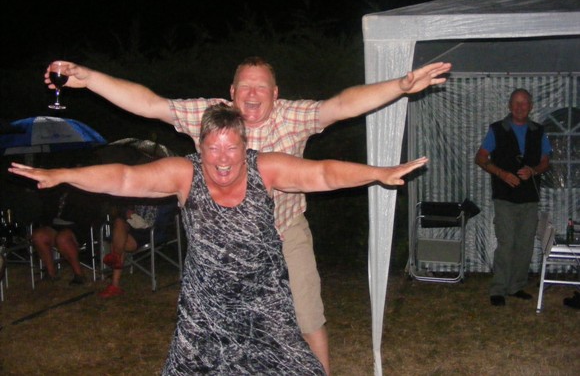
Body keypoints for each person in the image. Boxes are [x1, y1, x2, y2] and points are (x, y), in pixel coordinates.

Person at [45, 56, 451, 373]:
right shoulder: (213, 117)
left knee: (307, 318)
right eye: (245, 86)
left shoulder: (293, 115)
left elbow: (342, 107)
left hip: (284, 231)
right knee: (218, 334)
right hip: (220, 247)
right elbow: (148, 104)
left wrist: (400, 86)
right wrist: (90, 78)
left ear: (275, 93)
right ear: (231, 92)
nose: (252, 95)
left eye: (261, 87)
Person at [475, 88, 552, 307]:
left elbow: (546, 161)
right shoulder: (497, 129)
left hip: (529, 197)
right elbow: (480, 158)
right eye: (516, 103)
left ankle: (516, 286)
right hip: (505, 197)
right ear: (509, 106)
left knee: (525, 244)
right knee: (506, 243)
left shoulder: (538, 131)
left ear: (531, 106)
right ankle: (498, 289)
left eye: (524, 103)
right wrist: (502, 173)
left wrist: (533, 171)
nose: (520, 107)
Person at [99, 199, 177, 298]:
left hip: (150, 231)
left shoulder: (163, 197)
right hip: (132, 227)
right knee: (119, 222)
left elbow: (163, 219)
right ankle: (116, 259)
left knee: (119, 240)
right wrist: (127, 213)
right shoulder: (138, 193)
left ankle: (115, 279)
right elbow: (122, 208)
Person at [31, 187, 103, 285]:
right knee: (38, 236)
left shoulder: (83, 191)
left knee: (62, 238)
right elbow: (47, 211)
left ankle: (79, 274)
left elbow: (86, 214)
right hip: (55, 225)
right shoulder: (57, 191)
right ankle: (51, 273)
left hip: (77, 227)